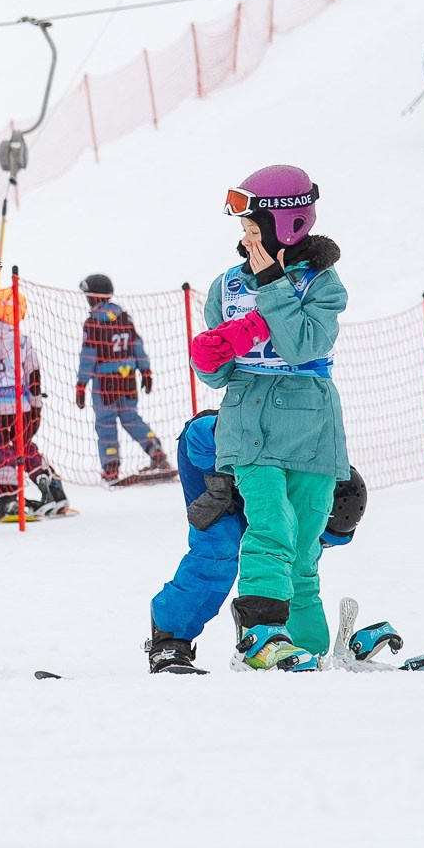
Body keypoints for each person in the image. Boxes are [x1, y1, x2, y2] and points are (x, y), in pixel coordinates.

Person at [191, 165, 348, 670]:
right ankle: (260, 632)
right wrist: (210, 356)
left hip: (310, 429)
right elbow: (217, 374)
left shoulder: (323, 284)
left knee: (303, 542)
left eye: (254, 231)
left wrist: (274, 285)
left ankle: (309, 647)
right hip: (249, 425)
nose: (245, 241)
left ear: (289, 225)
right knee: (270, 526)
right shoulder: (226, 285)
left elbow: (306, 345)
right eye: (243, 232)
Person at [148, 409, 367, 673]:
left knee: (292, 558)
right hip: (209, 461)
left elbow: (300, 581)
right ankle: (169, 641)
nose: (320, 546)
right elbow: (198, 433)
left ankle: (284, 644)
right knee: (219, 548)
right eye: (323, 539)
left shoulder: (311, 482)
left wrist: (310, 653)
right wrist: (217, 478)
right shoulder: (278, 443)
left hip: (255, 484)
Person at [0, 286, 67, 518]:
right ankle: (53, 490)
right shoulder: (22, 341)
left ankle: (9, 499)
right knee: (24, 447)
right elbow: (33, 375)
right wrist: (36, 408)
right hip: (20, 407)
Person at [75, 274, 166, 483]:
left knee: (106, 423)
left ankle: (110, 467)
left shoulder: (93, 322)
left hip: (105, 383)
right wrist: (146, 371)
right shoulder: (125, 317)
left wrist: (81, 384)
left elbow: (88, 356)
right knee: (130, 417)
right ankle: (156, 451)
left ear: (94, 296)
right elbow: (137, 346)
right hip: (127, 380)